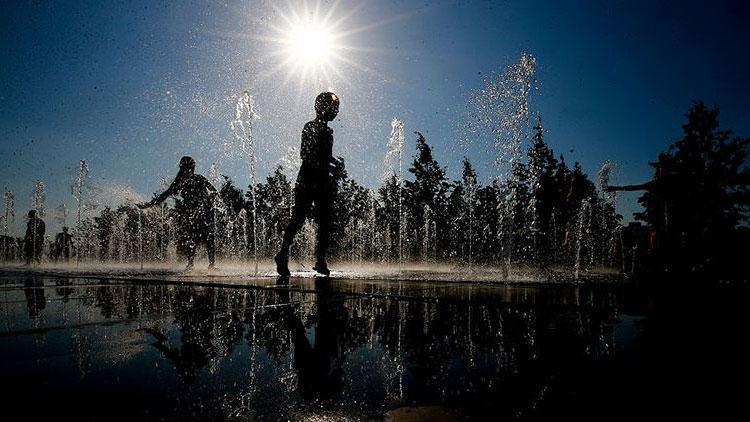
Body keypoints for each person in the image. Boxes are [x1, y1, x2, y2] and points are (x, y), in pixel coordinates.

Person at [275, 92, 340, 277]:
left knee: (325, 221)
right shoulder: (310, 126)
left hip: (322, 180)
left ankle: (320, 259)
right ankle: (283, 254)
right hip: (307, 178)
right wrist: (328, 165)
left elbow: (324, 156)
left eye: (336, 108)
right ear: (321, 107)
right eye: (333, 107)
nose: (335, 112)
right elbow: (306, 154)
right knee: (299, 218)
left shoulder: (328, 131)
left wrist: (334, 164)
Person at [138, 156, 217, 270]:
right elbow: (164, 195)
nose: (192, 169)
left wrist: (211, 198)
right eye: (191, 167)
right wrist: (148, 205)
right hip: (193, 214)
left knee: (202, 237)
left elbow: (214, 191)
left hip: (202, 212)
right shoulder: (180, 182)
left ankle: (204, 264)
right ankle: (196, 264)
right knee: (195, 238)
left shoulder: (198, 179)